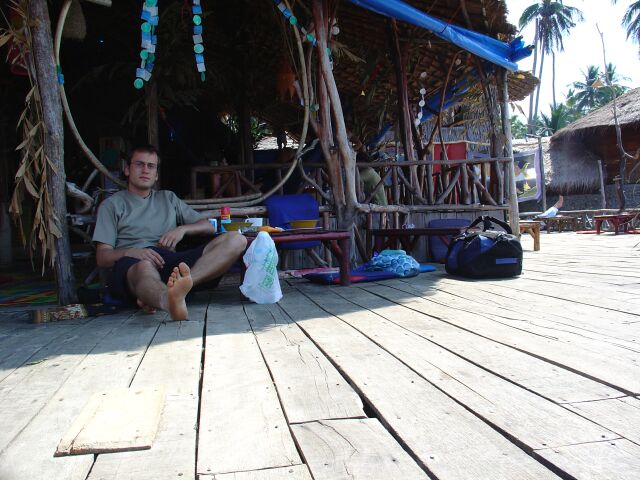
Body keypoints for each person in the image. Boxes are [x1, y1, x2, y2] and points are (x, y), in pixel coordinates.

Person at [92, 145, 247, 320]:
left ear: (156, 175)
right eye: (139, 164)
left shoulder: (168, 198)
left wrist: (182, 229)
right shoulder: (111, 205)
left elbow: (209, 227)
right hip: (132, 265)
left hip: (170, 262)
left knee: (236, 239)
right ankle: (168, 300)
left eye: (151, 166)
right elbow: (102, 257)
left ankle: (181, 287)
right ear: (127, 170)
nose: (145, 170)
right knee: (144, 266)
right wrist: (131, 252)